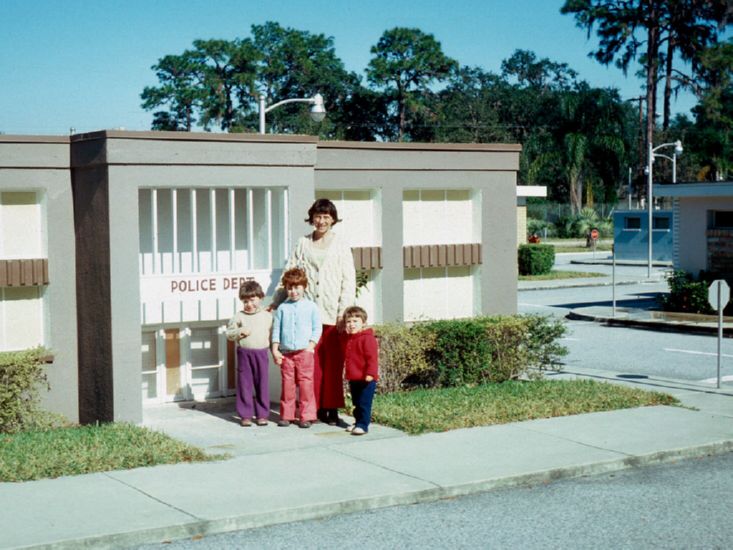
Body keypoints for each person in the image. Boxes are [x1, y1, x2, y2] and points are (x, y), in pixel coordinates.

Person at [272, 198, 356, 426]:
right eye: (318, 216)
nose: (321, 221)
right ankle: (314, 408)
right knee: (313, 365)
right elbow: (289, 274)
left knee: (333, 364)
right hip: (306, 315)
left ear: (333, 220)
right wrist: (276, 301)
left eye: (326, 217)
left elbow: (349, 281)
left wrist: (343, 312)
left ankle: (332, 409)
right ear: (312, 218)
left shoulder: (341, 244)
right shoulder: (302, 243)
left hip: (332, 313)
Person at [271, 268, 322, 429]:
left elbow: (317, 328)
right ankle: (287, 415)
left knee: (306, 384)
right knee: (288, 385)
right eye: (290, 288)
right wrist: (275, 349)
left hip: (304, 352)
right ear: (286, 288)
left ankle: (306, 416)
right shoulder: (282, 308)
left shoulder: (311, 307)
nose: (293, 291)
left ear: (304, 287)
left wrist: (310, 346)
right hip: (286, 354)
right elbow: (276, 330)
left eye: (297, 287)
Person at [226, 280, 272, 427]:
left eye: (252, 300)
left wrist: (276, 351)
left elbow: (272, 336)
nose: (249, 304)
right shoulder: (239, 316)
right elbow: (229, 334)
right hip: (244, 354)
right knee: (245, 385)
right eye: (245, 301)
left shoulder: (267, 316)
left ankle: (262, 415)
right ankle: (245, 415)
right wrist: (239, 332)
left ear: (260, 298)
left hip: (262, 354)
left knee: (262, 385)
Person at [340, 306, 379, 436]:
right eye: (348, 321)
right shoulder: (350, 338)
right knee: (356, 403)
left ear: (363, 323)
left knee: (364, 403)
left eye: (355, 321)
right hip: (354, 378)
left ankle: (363, 425)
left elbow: (372, 358)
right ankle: (357, 422)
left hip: (366, 379)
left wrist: (370, 374)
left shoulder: (367, 338)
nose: (352, 324)